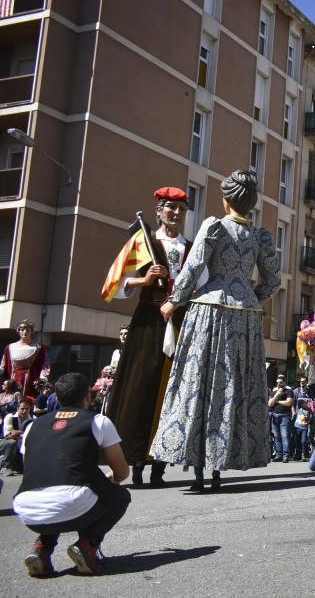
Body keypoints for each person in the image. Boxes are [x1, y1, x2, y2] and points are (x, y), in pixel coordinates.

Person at [151, 171, 280, 492]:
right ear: (252, 203)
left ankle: (196, 468)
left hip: (209, 311)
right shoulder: (262, 237)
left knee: (200, 383)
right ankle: (222, 465)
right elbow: (273, 282)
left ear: (225, 200)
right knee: (235, 386)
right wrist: (250, 298)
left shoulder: (214, 226)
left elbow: (193, 268)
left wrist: (173, 302)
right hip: (246, 314)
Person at [104, 187, 191, 488]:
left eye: (181, 208)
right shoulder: (143, 242)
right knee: (142, 389)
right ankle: (136, 459)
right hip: (148, 323)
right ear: (158, 211)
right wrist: (144, 279)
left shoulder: (193, 248)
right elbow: (112, 286)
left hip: (181, 323)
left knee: (174, 393)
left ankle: (161, 463)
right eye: (169, 207)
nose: (175, 213)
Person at [13, 372, 131, 576]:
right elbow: (121, 472)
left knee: (59, 492)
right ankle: (88, 545)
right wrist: (106, 482)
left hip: (27, 509)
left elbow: (32, 469)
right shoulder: (98, 421)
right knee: (119, 497)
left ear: (57, 399)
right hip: (74, 503)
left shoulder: (33, 426)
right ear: (87, 396)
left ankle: (42, 547)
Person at [1, 319, 50, 401]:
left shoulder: (38, 348)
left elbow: (45, 366)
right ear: (18, 331)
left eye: (28, 329)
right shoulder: (9, 347)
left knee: (27, 402)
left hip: (30, 382)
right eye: (22, 329)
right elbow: (4, 364)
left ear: (31, 332)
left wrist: (42, 378)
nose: (25, 332)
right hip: (12, 381)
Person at [1, 398, 33, 475]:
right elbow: (9, 436)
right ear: (17, 408)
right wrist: (24, 433)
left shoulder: (33, 419)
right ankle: (6, 467)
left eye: (27, 409)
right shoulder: (10, 417)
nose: (24, 411)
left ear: (30, 409)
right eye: (22, 409)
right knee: (11, 442)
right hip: (5, 443)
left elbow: (32, 436)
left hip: (20, 445)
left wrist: (17, 432)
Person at [268, 375, 294, 463]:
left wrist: (277, 401)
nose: (279, 384)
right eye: (277, 382)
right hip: (275, 415)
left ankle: (286, 456)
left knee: (285, 436)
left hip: (285, 416)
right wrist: (277, 395)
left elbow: (288, 403)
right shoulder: (274, 392)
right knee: (277, 436)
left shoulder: (289, 391)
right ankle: (279, 455)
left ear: (285, 383)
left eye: (281, 382)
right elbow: (270, 404)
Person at [292, 398, 314, 462]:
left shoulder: (309, 409)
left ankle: (303, 455)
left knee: (303, 441)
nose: (306, 404)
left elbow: (312, 417)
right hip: (297, 427)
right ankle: (297, 455)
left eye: (306, 403)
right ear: (301, 404)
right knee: (297, 442)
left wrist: (308, 421)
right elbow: (298, 399)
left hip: (304, 428)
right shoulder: (298, 409)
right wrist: (306, 399)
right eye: (304, 403)